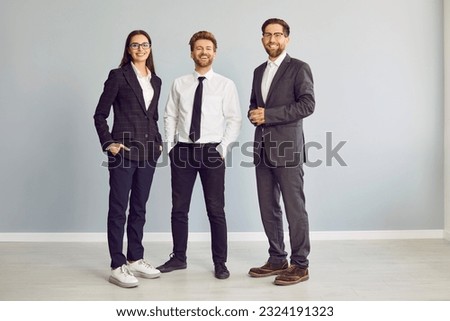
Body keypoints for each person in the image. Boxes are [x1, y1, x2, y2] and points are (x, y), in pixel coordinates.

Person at [158, 31, 241, 279]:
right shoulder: (179, 83)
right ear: (191, 52)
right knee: (179, 208)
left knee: (216, 209)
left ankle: (220, 262)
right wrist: (171, 145)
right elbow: (170, 114)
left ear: (214, 53)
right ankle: (179, 257)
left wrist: (222, 147)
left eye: (208, 48)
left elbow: (234, 119)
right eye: (198, 48)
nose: (203, 52)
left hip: (211, 151)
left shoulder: (225, 85)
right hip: (183, 150)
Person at [247, 18, 315, 286]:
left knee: (294, 208)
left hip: (288, 150)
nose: (272, 39)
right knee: (268, 208)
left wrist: (269, 115)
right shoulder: (257, 71)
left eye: (277, 35)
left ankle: (300, 264)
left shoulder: (299, 68)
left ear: (287, 38)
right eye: (267, 35)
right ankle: (277, 258)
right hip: (262, 149)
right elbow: (255, 104)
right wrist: (254, 114)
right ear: (262, 38)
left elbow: (308, 105)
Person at [93, 30, 163, 288]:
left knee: (139, 208)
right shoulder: (118, 76)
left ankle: (135, 258)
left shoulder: (156, 80)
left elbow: (151, 117)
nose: (141, 48)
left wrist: (158, 143)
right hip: (123, 153)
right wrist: (109, 143)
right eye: (135, 45)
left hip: (148, 154)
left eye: (145, 44)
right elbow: (100, 114)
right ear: (129, 49)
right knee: (118, 209)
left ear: (150, 48)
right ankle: (116, 264)